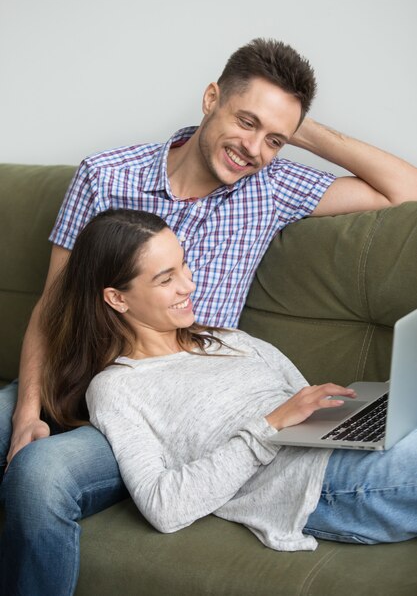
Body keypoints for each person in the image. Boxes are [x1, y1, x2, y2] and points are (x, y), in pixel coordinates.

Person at [0, 37, 416, 595]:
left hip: (170, 409)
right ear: (210, 97)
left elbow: (406, 190)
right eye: (245, 120)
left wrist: (297, 128)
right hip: (86, 376)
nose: (253, 148)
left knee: (40, 475)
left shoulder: (270, 185)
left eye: (274, 139)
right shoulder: (105, 174)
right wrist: (28, 412)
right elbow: (53, 309)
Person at [42, 209, 417, 556]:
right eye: (166, 278)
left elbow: (302, 405)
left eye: (183, 265)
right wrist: (269, 426)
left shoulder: (231, 340)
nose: (188, 285)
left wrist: (357, 409)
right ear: (117, 298)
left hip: (344, 450)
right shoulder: (118, 387)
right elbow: (164, 507)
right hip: (315, 484)